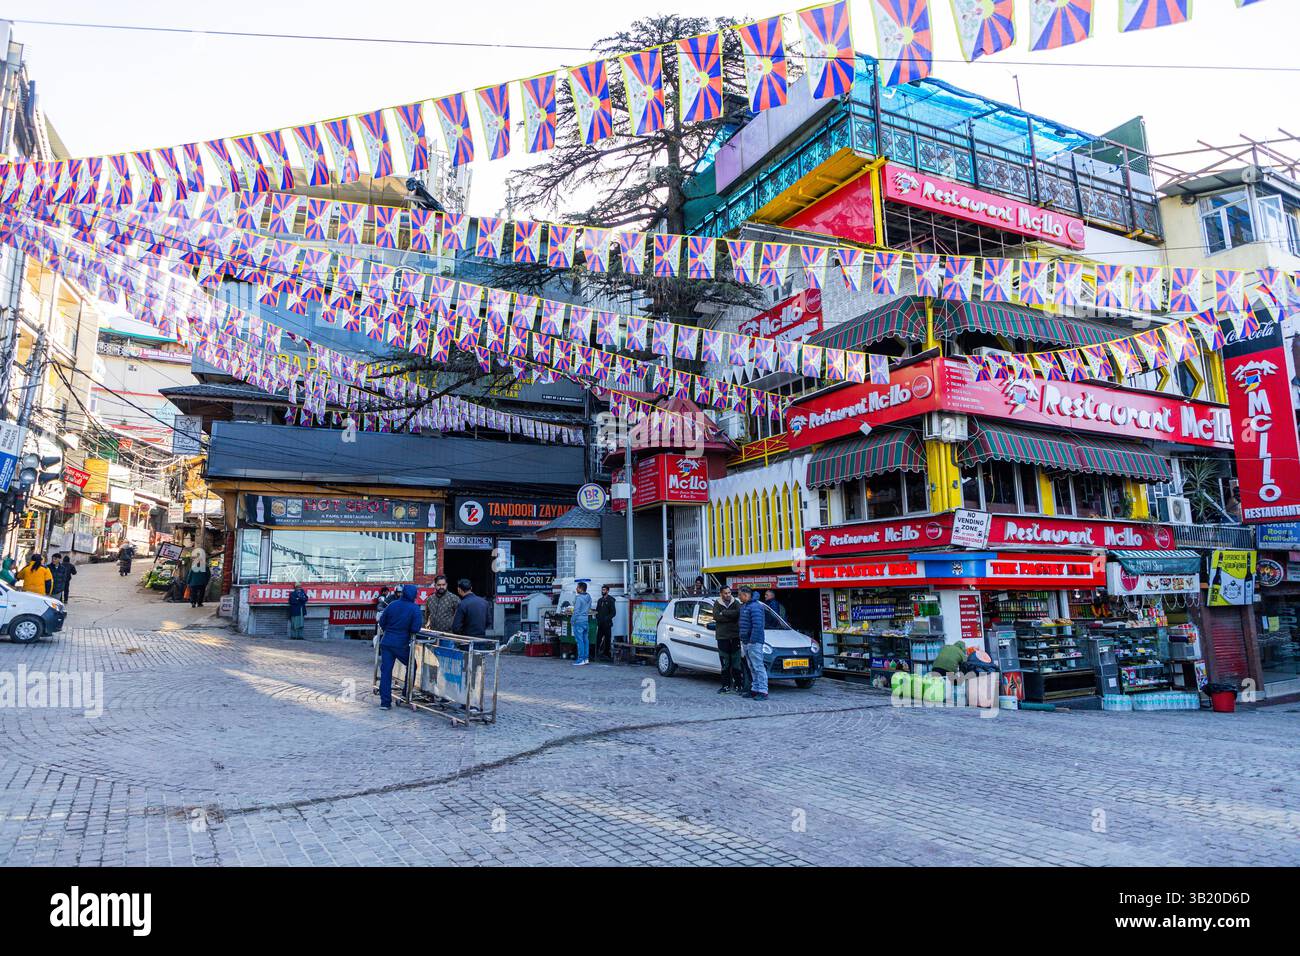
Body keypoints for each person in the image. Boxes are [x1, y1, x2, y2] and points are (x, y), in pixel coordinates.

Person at [377, 584, 423, 710]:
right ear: (414, 595)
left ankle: (385, 703)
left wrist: (389, 631)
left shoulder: (393, 605)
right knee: (412, 664)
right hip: (401, 644)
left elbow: (382, 622)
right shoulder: (414, 608)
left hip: (386, 642)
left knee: (386, 672)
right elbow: (415, 628)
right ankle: (406, 693)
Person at [738, 586, 768, 701]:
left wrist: (752, 640)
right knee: (752, 666)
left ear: (745, 595)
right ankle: (755, 689)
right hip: (747, 641)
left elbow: (758, 626)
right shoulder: (746, 606)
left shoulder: (755, 607)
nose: (739, 597)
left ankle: (763, 691)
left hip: (753, 642)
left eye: (740, 595)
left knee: (758, 666)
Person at [712, 585, 744, 694]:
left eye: (729, 593)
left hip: (735, 636)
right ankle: (725, 686)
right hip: (722, 637)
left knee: (736, 662)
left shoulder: (736, 602)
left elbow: (738, 613)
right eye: (725, 593)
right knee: (725, 663)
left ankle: (738, 685)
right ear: (721, 594)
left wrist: (724, 613)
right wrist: (731, 616)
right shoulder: (717, 603)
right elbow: (716, 616)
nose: (728, 595)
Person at [570, 582, 592, 666]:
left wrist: (572, 620)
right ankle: (586, 658)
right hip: (586, 620)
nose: (576, 589)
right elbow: (589, 607)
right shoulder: (588, 596)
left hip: (578, 621)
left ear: (580, 589)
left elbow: (576, 611)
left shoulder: (578, 598)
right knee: (586, 640)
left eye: (577, 587)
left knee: (580, 641)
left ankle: (580, 659)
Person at [594, 584, 616, 660]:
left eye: (604, 590)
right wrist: (597, 617)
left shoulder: (611, 600)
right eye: (602, 590)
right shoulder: (600, 600)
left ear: (607, 591)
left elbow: (613, 613)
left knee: (607, 639)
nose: (602, 591)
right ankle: (596, 653)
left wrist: (607, 618)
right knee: (598, 638)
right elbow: (597, 611)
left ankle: (607, 654)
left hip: (607, 624)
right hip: (600, 624)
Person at [186, 542, 209, 607]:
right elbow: (208, 575)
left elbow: (189, 575)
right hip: (202, 583)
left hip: (193, 583)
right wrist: (206, 581)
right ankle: (199, 603)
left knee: (194, 593)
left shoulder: (193, 567)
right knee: (201, 593)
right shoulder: (205, 566)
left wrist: (188, 582)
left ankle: (193, 603)